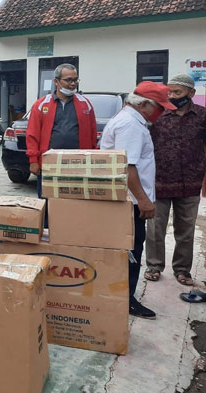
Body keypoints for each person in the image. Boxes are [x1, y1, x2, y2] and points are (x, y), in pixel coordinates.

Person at [100, 81, 176, 320]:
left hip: (128, 201)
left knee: (130, 250)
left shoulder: (133, 121)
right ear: (143, 104)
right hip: (129, 204)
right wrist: (143, 200)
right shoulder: (130, 125)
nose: (162, 113)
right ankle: (125, 300)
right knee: (130, 252)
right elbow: (127, 166)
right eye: (160, 108)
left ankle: (123, 295)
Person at [145, 74, 206, 286]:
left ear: (191, 93)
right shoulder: (158, 114)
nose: (172, 96)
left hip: (190, 182)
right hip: (159, 181)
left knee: (186, 232)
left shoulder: (201, 115)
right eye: (169, 92)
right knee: (155, 228)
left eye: (177, 92)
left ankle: (182, 269)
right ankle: (154, 265)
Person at [26, 64, 98, 197]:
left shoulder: (85, 104)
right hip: (49, 166)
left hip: (79, 166)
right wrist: (34, 161)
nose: (73, 84)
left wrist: (93, 160)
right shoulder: (41, 105)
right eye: (69, 80)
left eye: (75, 80)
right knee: (49, 204)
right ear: (56, 81)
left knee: (76, 204)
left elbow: (93, 134)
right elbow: (32, 134)